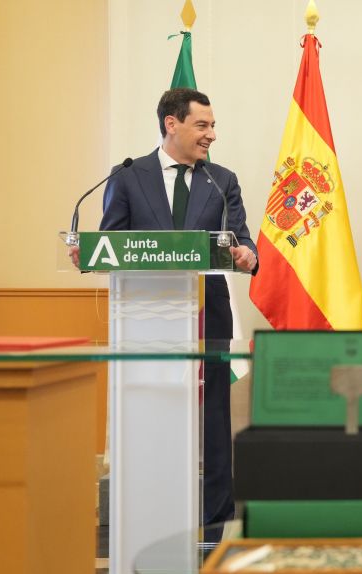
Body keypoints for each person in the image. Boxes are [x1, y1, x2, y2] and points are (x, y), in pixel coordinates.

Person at [99, 88, 258, 524]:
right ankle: (153, 508)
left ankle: (216, 515)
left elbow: (241, 238)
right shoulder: (127, 176)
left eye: (213, 126)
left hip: (209, 314)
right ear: (172, 124)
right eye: (202, 125)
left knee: (214, 415)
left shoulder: (221, 180)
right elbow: (109, 242)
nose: (212, 135)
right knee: (153, 411)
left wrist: (247, 254)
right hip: (148, 317)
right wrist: (88, 253)